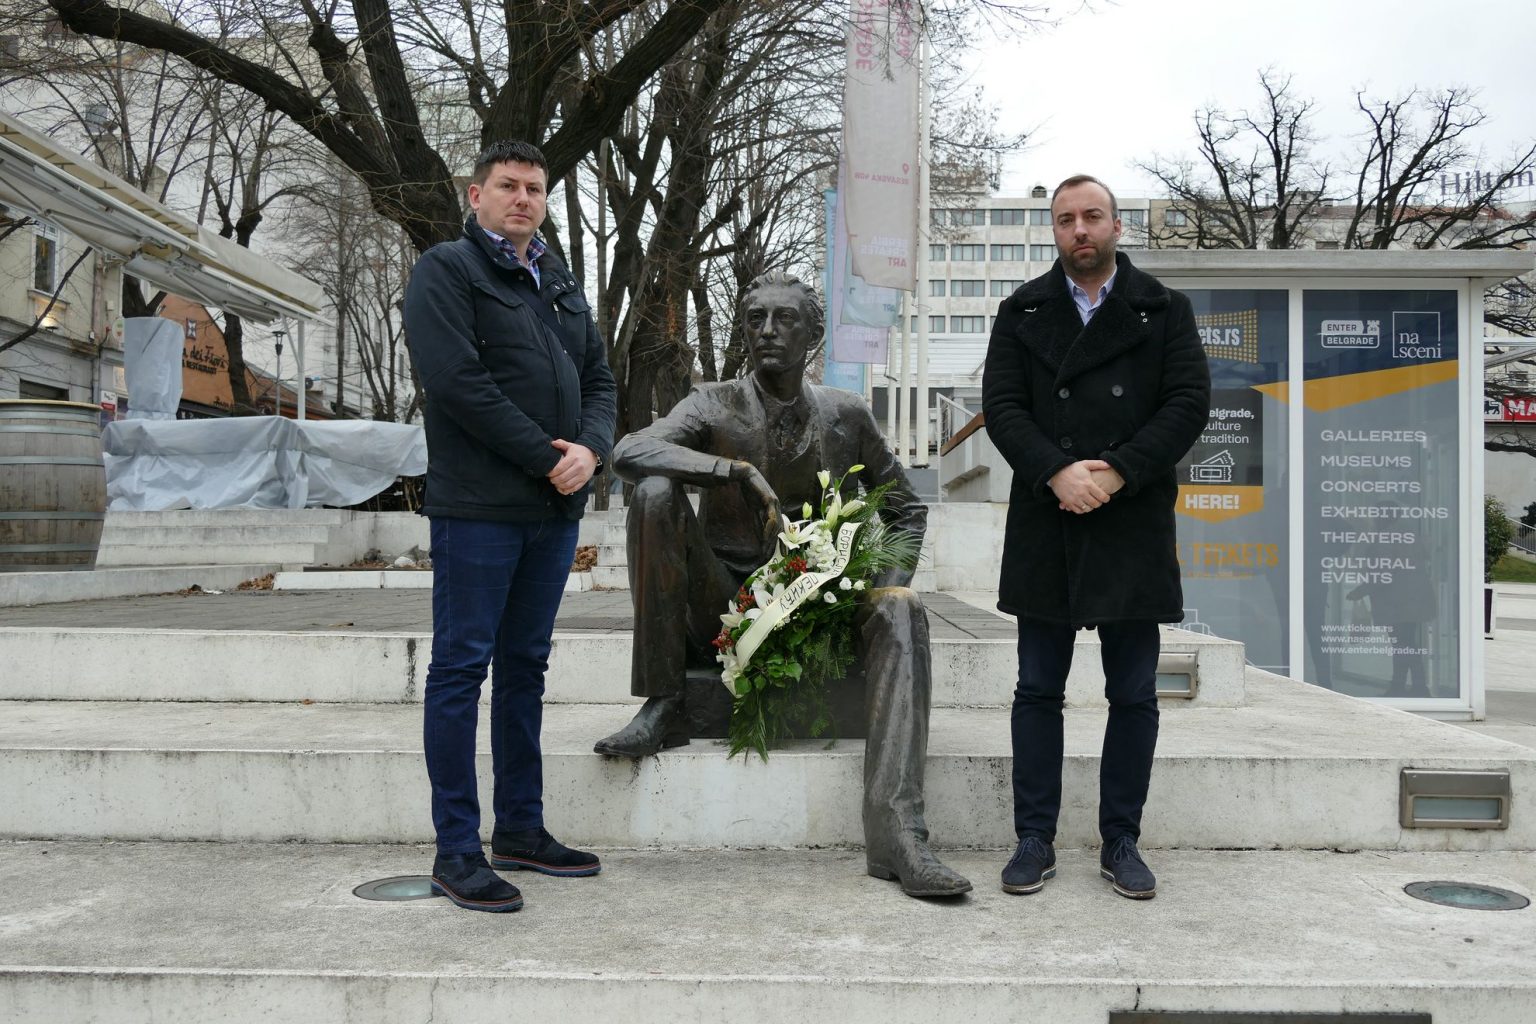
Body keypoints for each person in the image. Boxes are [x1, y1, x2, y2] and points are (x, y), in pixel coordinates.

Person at [591, 271, 971, 898]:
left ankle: (898, 834)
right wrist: (728, 470)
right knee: (656, 494)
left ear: (813, 334)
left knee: (903, 609)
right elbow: (630, 451)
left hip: (816, 603)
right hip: (726, 604)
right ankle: (663, 701)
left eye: (784, 319)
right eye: (756, 320)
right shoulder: (711, 404)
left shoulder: (846, 416)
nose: (767, 332)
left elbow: (906, 508)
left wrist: (884, 583)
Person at [403, 140, 617, 913]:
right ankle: (456, 851)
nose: (522, 198)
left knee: (525, 667)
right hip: (481, 509)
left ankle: (520, 828)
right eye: (508, 186)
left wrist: (592, 449)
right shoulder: (447, 272)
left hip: (552, 510)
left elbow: (598, 375)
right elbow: (457, 383)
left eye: (534, 188)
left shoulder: (557, 279)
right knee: (461, 669)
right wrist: (547, 456)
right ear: (476, 195)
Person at [982, 174, 1210, 900]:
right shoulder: (1020, 310)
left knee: (1134, 693)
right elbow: (1003, 408)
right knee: (1038, 689)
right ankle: (1033, 839)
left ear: (1116, 225)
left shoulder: (1163, 309)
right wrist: (1058, 472)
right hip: (1047, 517)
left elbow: (1187, 405)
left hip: (1131, 520)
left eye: (1091, 217)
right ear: (1054, 231)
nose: (1078, 229)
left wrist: (1116, 472)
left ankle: (1121, 841)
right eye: (1064, 220)